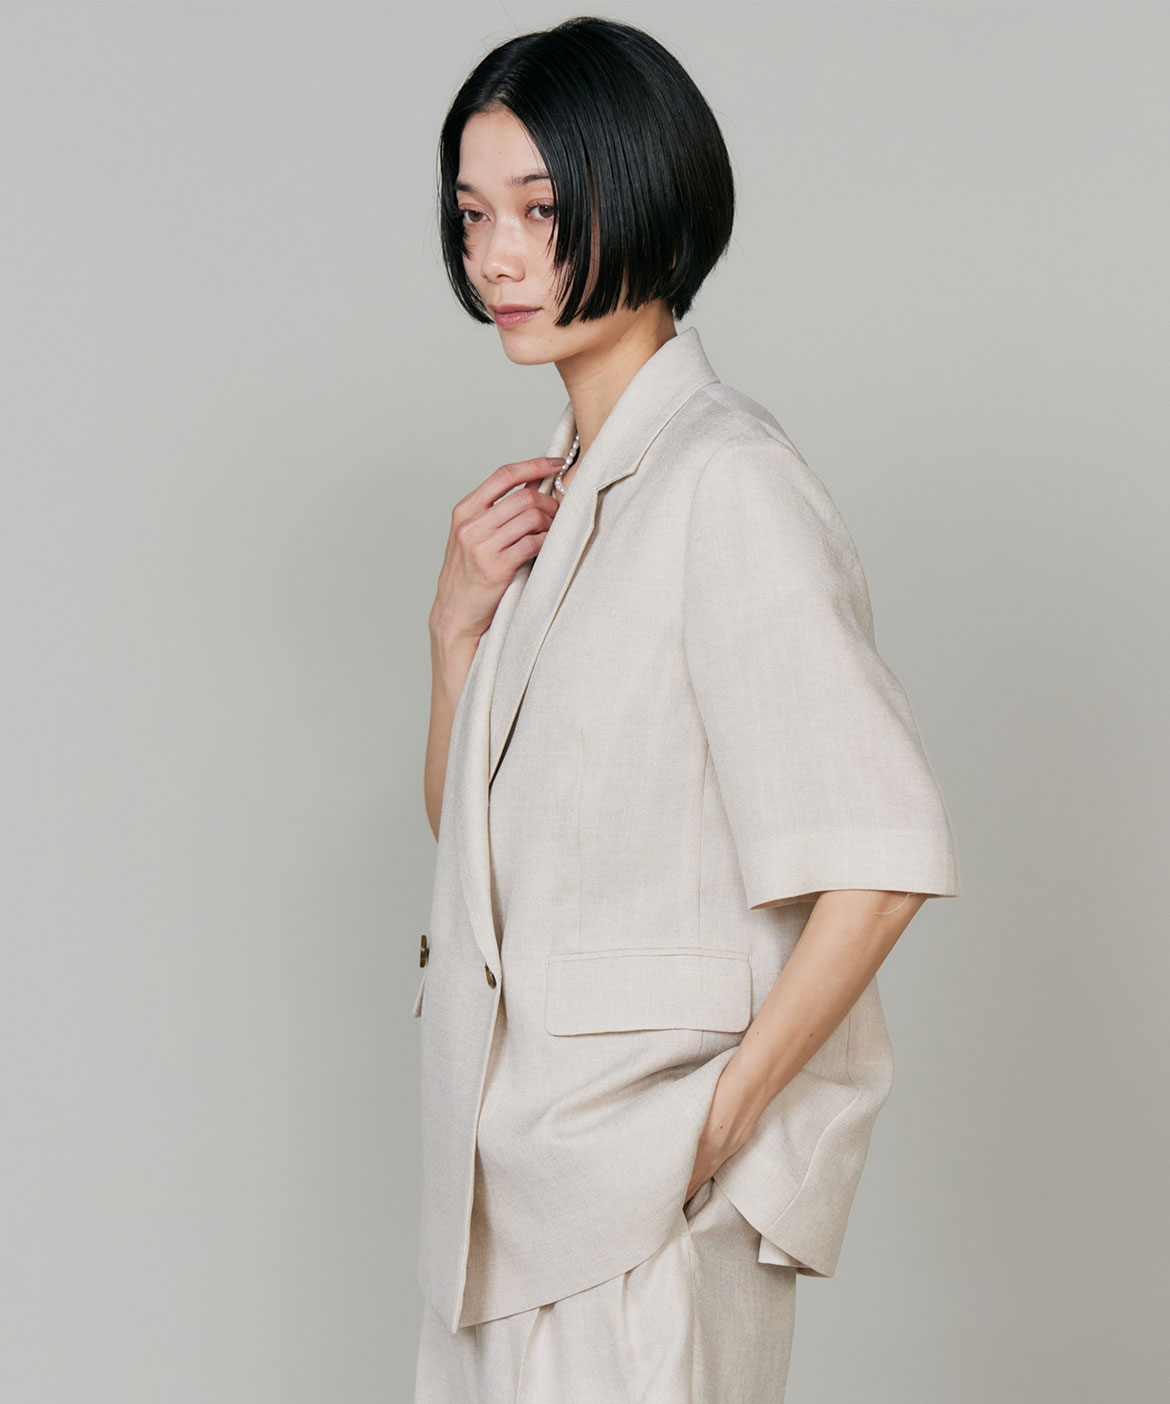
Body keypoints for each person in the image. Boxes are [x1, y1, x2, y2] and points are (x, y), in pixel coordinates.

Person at [412, 17, 960, 1404]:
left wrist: (711, 1129)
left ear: (646, 197)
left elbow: (882, 856)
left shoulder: (726, 482)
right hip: (500, 1195)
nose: (497, 257)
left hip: (635, 1212)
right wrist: (456, 634)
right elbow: (478, 863)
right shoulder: (564, 507)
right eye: (473, 215)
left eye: (540, 211)